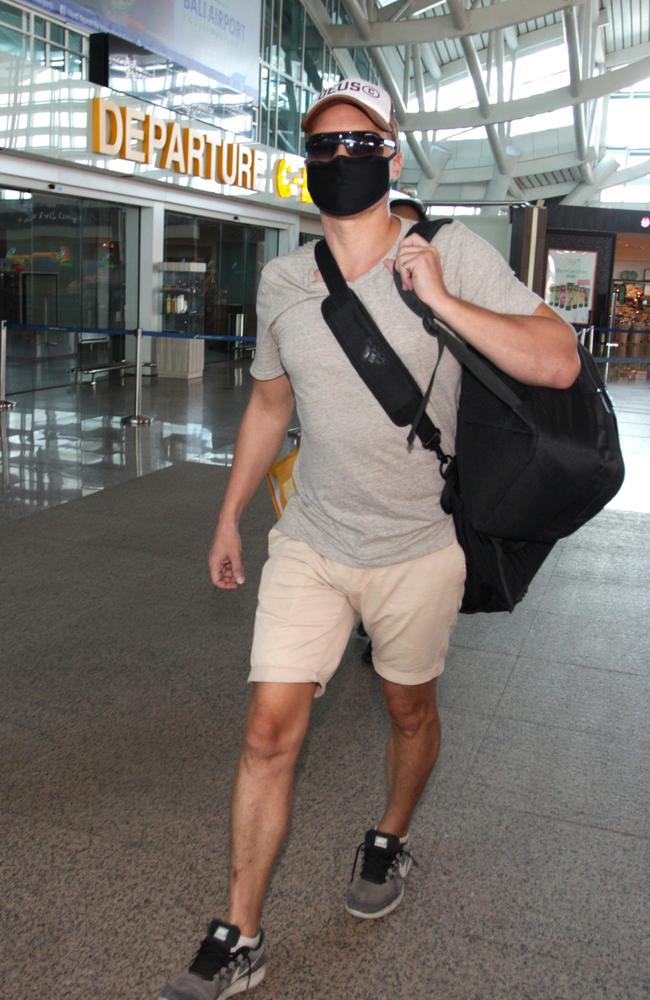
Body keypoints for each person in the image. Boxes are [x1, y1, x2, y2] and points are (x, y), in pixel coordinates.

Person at [159, 79, 579, 1000]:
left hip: (422, 545)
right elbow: (272, 403)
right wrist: (230, 513)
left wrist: (439, 296)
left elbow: (557, 357)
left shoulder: (451, 251)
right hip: (310, 537)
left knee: (406, 710)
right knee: (269, 731)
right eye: (321, 147)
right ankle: (240, 933)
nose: (339, 161)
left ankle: (389, 836)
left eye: (359, 144)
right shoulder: (283, 279)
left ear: (392, 157)